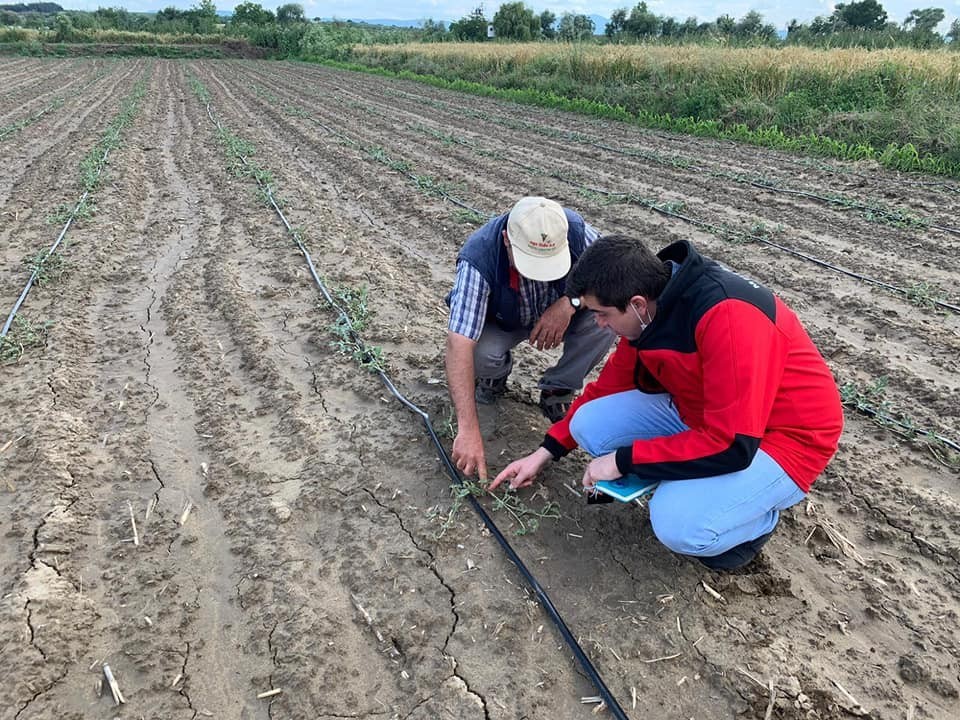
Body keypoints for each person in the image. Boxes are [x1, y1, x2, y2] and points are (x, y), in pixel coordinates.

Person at [491, 235, 844, 570]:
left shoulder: (729, 318)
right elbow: (608, 386)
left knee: (679, 525)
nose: (597, 322)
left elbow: (732, 444)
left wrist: (625, 460)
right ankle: (694, 479)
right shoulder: (648, 314)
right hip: (703, 411)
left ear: (637, 305)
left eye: (602, 314)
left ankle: (758, 518)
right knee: (588, 423)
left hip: (781, 436)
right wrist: (545, 452)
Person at [445, 197, 615, 482]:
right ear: (507, 241)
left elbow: (612, 278)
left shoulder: (576, 232)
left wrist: (569, 303)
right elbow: (458, 343)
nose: (538, 276)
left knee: (605, 323)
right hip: (503, 320)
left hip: (563, 312)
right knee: (479, 354)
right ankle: (493, 377)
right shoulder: (480, 257)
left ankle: (557, 389)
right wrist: (468, 428)